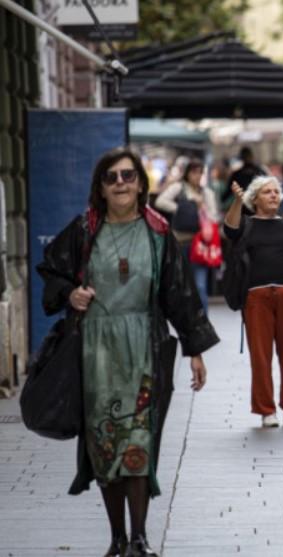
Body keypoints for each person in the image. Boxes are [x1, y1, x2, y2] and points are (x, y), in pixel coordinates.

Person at [37, 148, 219, 557]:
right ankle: (116, 538)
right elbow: (51, 269)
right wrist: (71, 292)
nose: (120, 183)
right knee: (104, 445)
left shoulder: (158, 233)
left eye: (128, 176)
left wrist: (195, 348)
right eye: (111, 177)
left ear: (141, 183)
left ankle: (138, 539)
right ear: (100, 188)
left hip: (143, 348)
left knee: (137, 441)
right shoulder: (84, 230)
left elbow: (180, 292)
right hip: (95, 351)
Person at [224, 176, 283, 427]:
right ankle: (266, 410)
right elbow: (230, 230)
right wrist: (236, 202)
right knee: (260, 356)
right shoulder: (247, 224)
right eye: (267, 192)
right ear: (254, 199)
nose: (273, 196)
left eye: (276, 192)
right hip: (256, 297)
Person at [154, 159, 219, 310]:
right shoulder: (179, 187)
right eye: (194, 172)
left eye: (200, 173)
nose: (197, 176)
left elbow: (214, 216)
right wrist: (180, 209)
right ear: (188, 173)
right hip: (180, 242)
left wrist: (201, 209)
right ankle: (186, 323)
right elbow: (160, 201)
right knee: (180, 285)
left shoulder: (206, 193)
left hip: (200, 244)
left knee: (200, 285)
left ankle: (203, 323)